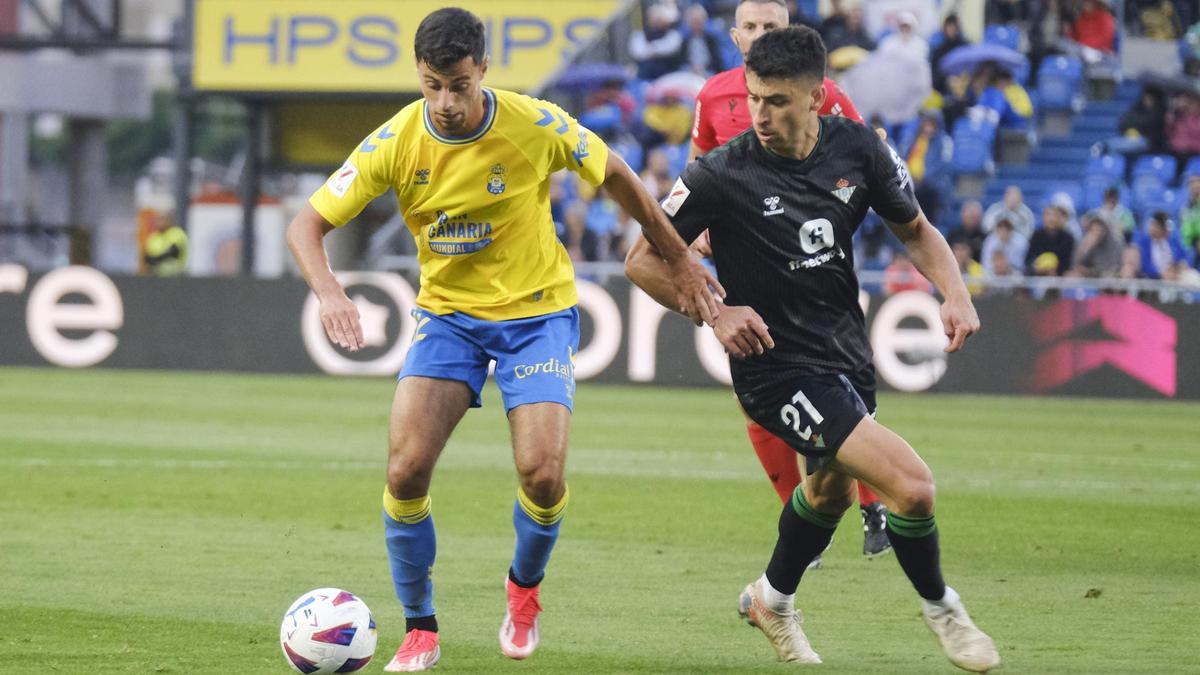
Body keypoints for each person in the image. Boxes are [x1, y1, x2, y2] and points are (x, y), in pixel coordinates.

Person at [286, 9, 720, 672]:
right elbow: (306, 225)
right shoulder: (396, 140)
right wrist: (331, 292)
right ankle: (420, 627)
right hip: (448, 319)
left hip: (537, 314)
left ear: (482, 69)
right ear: (419, 76)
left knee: (543, 474)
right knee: (404, 469)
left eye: (459, 84)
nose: (447, 102)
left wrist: (679, 257)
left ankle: (523, 591)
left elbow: (618, 176)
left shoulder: (534, 122)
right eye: (433, 85)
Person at [626, 26, 999, 671]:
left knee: (830, 494)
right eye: (752, 98)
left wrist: (955, 292)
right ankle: (944, 609)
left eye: (776, 101)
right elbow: (642, 261)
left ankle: (770, 599)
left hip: (845, 353)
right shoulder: (720, 172)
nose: (760, 116)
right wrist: (716, 311)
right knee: (913, 487)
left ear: (817, 98)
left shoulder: (858, 149)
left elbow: (915, 229)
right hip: (774, 366)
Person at [688, 0, 891, 561]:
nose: (758, 37)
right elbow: (699, 162)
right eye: (749, 27)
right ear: (734, 36)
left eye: (769, 28)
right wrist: (699, 229)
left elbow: (860, 160)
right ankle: (797, 512)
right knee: (755, 396)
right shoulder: (712, 96)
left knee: (841, 390)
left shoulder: (820, 91)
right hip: (747, 273)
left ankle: (873, 503)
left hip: (813, 269)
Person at [1025, 199, 1077, 276]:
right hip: (1037, 274)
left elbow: (1068, 262)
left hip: (1059, 276)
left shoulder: (1067, 238)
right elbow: (1029, 259)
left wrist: (1055, 270)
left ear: (1059, 218)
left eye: (1054, 215)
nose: (1051, 219)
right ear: (1043, 217)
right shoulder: (1036, 235)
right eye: (1048, 215)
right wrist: (1036, 266)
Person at [1069, 213, 1125, 277]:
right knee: (1073, 275)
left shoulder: (1114, 243)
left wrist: (1090, 272)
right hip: (1089, 277)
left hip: (1107, 278)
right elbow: (1075, 264)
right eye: (1094, 226)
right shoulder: (1087, 240)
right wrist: (1085, 248)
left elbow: (1111, 268)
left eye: (1100, 226)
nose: (1097, 230)